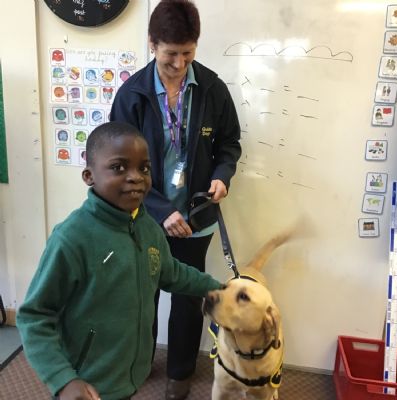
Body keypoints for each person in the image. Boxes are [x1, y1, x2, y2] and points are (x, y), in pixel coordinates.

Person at [16, 121, 222, 400]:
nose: (136, 177)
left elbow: (171, 273)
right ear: (89, 176)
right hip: (85, 384)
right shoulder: (72, 238)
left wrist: (218, 288)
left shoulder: (148, 226)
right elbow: (34, 315)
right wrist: (62, 380)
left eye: (144, 168)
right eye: (118, 167)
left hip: (130, 374)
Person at [110, 1, 241, 399]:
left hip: (196, 217)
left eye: (188, 52)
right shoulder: (132, 94)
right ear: (152, 44)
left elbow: (229, 144)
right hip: (143, 218)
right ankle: (139, 361)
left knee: (187, 298)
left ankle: (180, 373)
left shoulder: (214, 88)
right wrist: (161, 211)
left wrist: (222, 177)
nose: (180, 63)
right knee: (141, 294)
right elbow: (116, 165)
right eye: (171, 54)